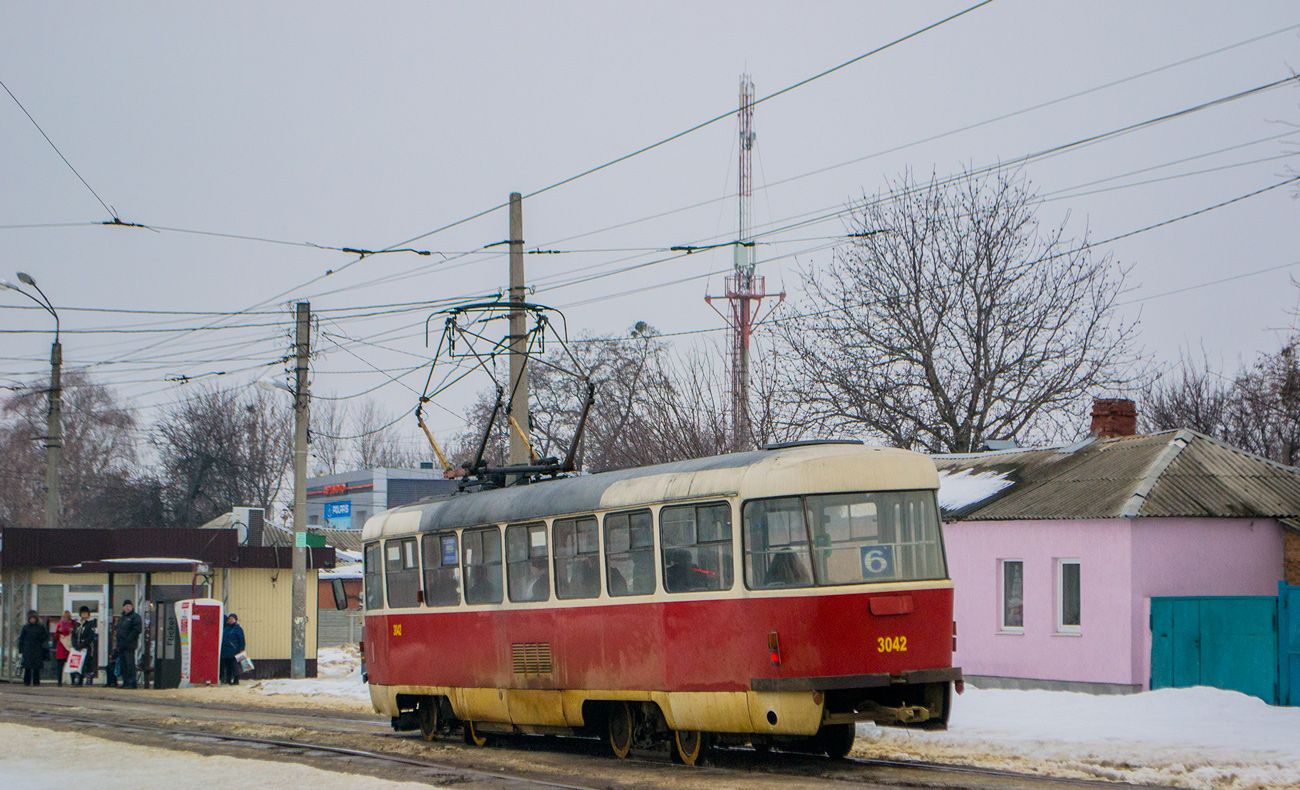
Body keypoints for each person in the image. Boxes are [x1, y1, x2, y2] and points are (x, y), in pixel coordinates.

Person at [114, 600, 142, 689]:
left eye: (129, 606)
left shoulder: (135, 617)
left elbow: (136, 630)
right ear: (123, 607)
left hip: (129, 645)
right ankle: (125, 682)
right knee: (123, 664)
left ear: (132, 607)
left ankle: (132, 682)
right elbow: (118, 630)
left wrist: (128, 639)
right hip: (121, 645)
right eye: (126, 606)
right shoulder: (121, 618)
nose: (127, 607)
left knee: (130, 664)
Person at [18, 610, 47, 686]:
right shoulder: (26, 627)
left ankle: (36, 681)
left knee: (36, 667)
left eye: (34, 618)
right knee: (27, 666)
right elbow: (22, 638)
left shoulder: (40, 627)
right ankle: (27, 681)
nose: (32, 620)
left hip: (37, 649)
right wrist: (21, 649)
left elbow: (44, 637)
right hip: (28, 649)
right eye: (31, 618)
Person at [71, 606, 98, 687]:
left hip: (87, 647)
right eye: (82, 613)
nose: (84, 615)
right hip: (78, 647)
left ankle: (90, 677)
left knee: (87, 662)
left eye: (85, 613)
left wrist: (83, 643)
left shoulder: (90, 623)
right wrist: (75, 644)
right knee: (79, 663)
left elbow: (90, 636)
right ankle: (79, 680)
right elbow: (74, 635)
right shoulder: (78, 624)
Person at [220, 613, 245, 685]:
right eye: (229, 619)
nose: (230, 620)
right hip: (225, 650)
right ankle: (228, 679)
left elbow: (242, 639)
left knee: (234, 666)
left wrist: (242, 648)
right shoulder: (226, 628)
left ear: (235, 620)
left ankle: (236, 680)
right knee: (227, 666)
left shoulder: (238, 629)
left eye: (232, 619)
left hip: (235, 651)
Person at [53, 610, 74, 686]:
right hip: (61, 647)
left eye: (66, 617)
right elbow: (55, 637)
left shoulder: (73, 624)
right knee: (60, 666)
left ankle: (73, 681)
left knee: (71, 665)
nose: (64, 618)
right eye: (63, 617)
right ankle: (59, 681)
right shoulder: (59, 625)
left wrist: (72, 631)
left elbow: (75, 636)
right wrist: (59, 631)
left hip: (69, 647)